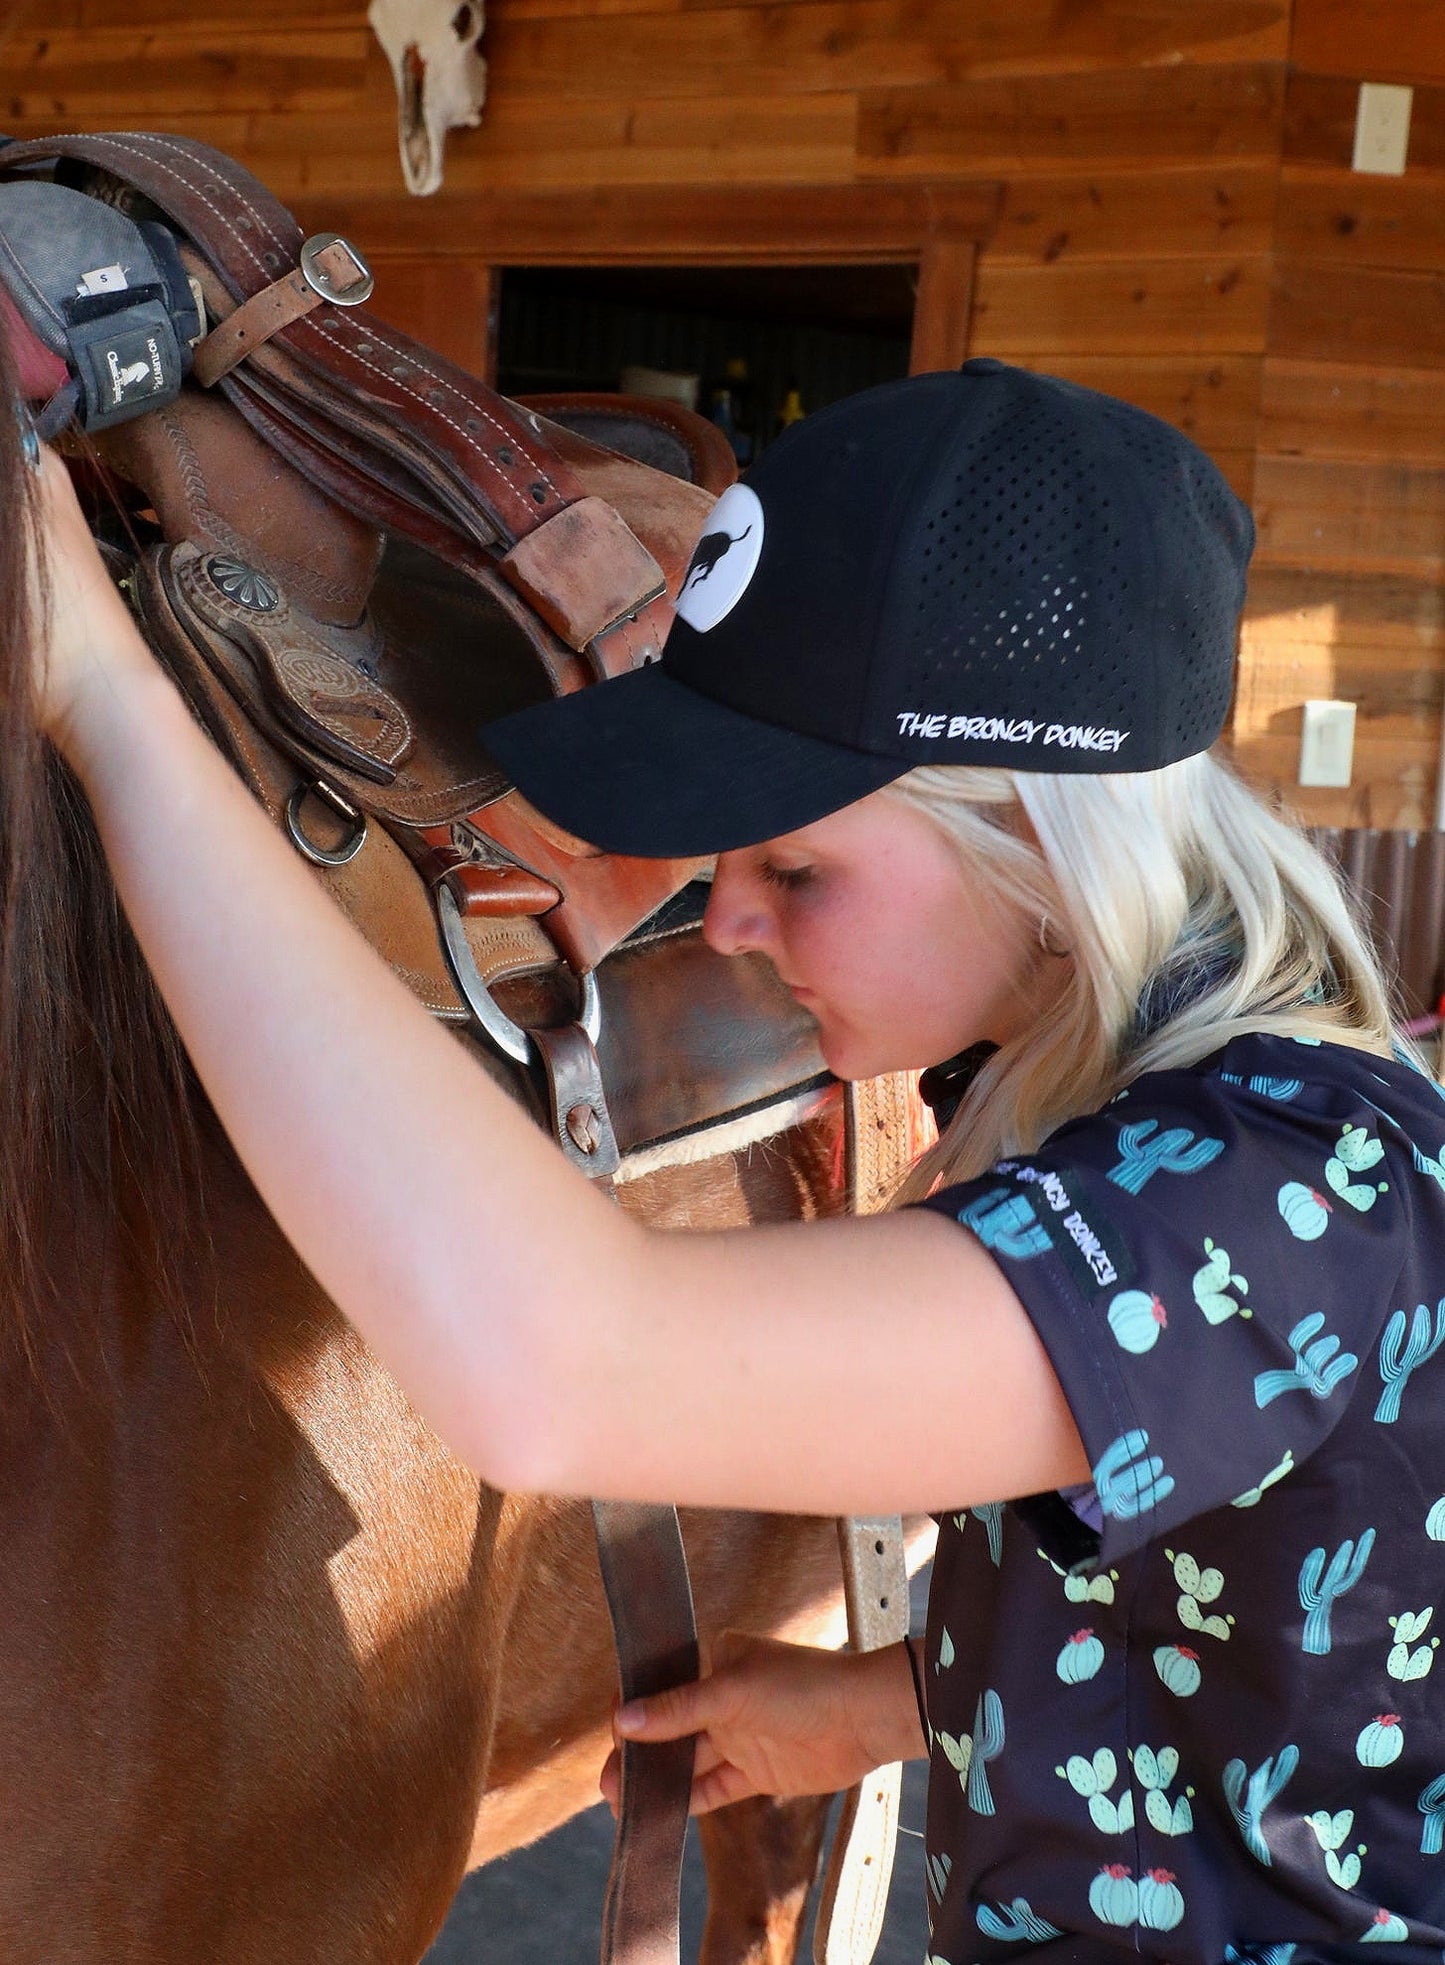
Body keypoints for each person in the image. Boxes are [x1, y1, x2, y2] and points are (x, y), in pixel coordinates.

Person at [22, 358, 1445, 1965]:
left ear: (1040, 840)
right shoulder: (1199, 1128)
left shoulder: (1268, 1201)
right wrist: (899, 1699)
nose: (734, 918)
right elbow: (1263, 1623)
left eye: (794, 861)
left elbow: (560, 1366)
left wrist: (105, 694)